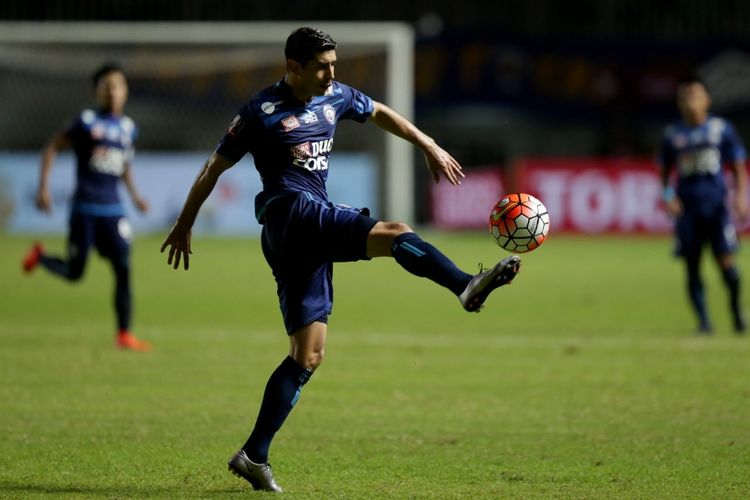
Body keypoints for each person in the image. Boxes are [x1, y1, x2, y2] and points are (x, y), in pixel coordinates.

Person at [160, 27, 521, 492]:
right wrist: (185, 222)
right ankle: (463, 285)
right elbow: (214, 168)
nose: (332, 73)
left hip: (298, 237)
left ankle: (254, 454)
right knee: (395, 233)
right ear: (293, 67)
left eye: (334, 63)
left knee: (307, 354)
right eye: (322, 66)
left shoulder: (336, 96)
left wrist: (427, 143)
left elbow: (381, 112)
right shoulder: (260, 112)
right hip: (290, 214)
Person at [22, 62, 152, 352]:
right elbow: (52, 147)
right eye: (106, 86)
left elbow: (124, 165)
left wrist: (134, 196)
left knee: (123, 267)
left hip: (114, 210)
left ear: (125, 91)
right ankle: (40, 256)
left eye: (117, 85)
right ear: (97, 91)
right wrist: (43, 186)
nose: (112, 91)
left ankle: (124, 334)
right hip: (85, 210)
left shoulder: (129, 128)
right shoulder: (85, 122)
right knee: (74, 273)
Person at [659, 74, 748, 335]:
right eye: (685, 97)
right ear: (678, 102)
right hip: (687, 210)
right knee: (692, 264)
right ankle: (704, 322)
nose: (690, 101)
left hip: (717, 207)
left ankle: (735, 311)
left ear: (707, 99)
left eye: (695, 95)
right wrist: (668, 197)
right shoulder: (672, 135)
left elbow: (739, 167)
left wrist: (741, 197)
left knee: (727, 263)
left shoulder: (721, 130)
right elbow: (664, 173)